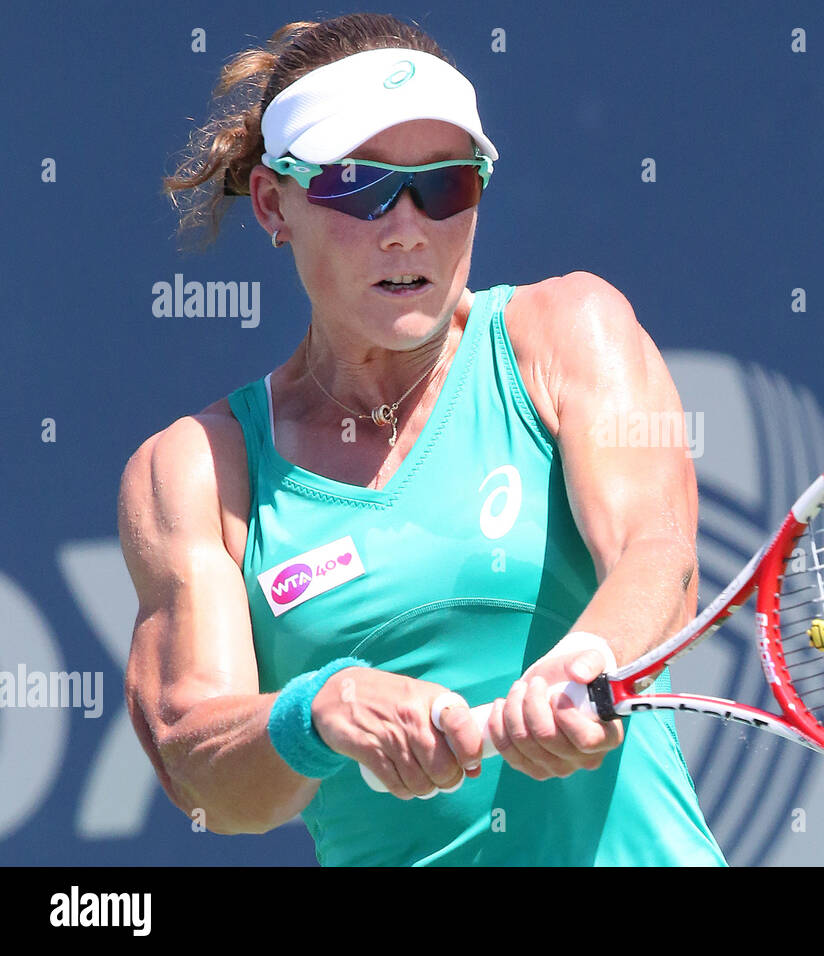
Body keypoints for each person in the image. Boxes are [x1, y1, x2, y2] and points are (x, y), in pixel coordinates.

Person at [119, 13, 725, 866]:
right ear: (272, 202)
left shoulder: (566, 329)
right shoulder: (196, 469)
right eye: (360, 186)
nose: (408, 227)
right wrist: (319, 710)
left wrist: (587, 662)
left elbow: (660, 556)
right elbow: (201, 769)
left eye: (445, 186)